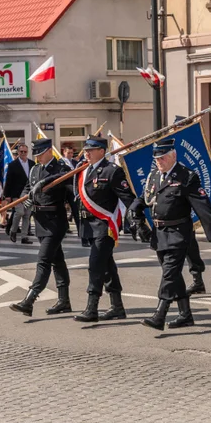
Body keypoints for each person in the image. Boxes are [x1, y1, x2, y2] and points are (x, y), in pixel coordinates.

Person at [129, 139, 211, 330]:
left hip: (179, 233)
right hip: (159, 233)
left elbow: (203, 206)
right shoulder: (155, 175)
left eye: (162, 158)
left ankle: (159, 314)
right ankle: (185, 315)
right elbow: (145, 197)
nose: (158, 161)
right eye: (156, 158)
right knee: (172, 274)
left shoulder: (187, 176)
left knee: (169, 274)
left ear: (173, 155)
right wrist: (134, 211)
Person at [9, 139, 77, 317]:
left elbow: (67, 176)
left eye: (40, 154)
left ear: (48, 151)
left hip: (55, 220)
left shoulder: (59, 167)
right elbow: (27, 188)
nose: (37, 158)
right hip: (39, 220)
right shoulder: (34, 169)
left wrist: (43, 182)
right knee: (57, 261)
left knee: (43, 260)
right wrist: (27, 197)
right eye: (36, 155)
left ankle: (29, 300)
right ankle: (64, 301)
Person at [73, 135, 137, 323]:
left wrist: (135, 218)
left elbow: (127, 197)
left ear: (102, 151)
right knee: (107, 266)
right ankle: (117, 307)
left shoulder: (112, 171)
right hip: (89, 226)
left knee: (95, 265)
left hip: (105, 226)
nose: (86, 153)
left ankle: (91, 308)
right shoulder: (84, 170)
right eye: (85, 150)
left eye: (90, 150)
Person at [3, 143, 35, 244]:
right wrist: (7, 195)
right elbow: (8, 181)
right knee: (19, 212)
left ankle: (24, 236)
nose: (23, 153)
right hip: (16, 193)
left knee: (27, 215)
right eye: (21, 151)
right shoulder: (13, 165)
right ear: (18, 152)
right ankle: (13, 231)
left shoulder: (32, 164)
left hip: (28, 193)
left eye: (25, 152)